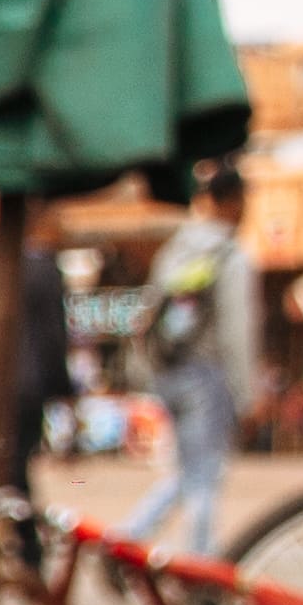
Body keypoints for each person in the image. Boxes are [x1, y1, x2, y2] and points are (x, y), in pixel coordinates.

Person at [121, 164, 254, 554]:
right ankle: (201, 572)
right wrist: (247, 396)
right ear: (237, 201)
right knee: (204, 478)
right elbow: (237, 330)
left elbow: (149, 311)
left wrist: (146, 371)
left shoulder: (177, 247)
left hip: (169, 374)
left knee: (187, 470)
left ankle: (127, 540)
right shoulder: (230, 254)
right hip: (206, 376)